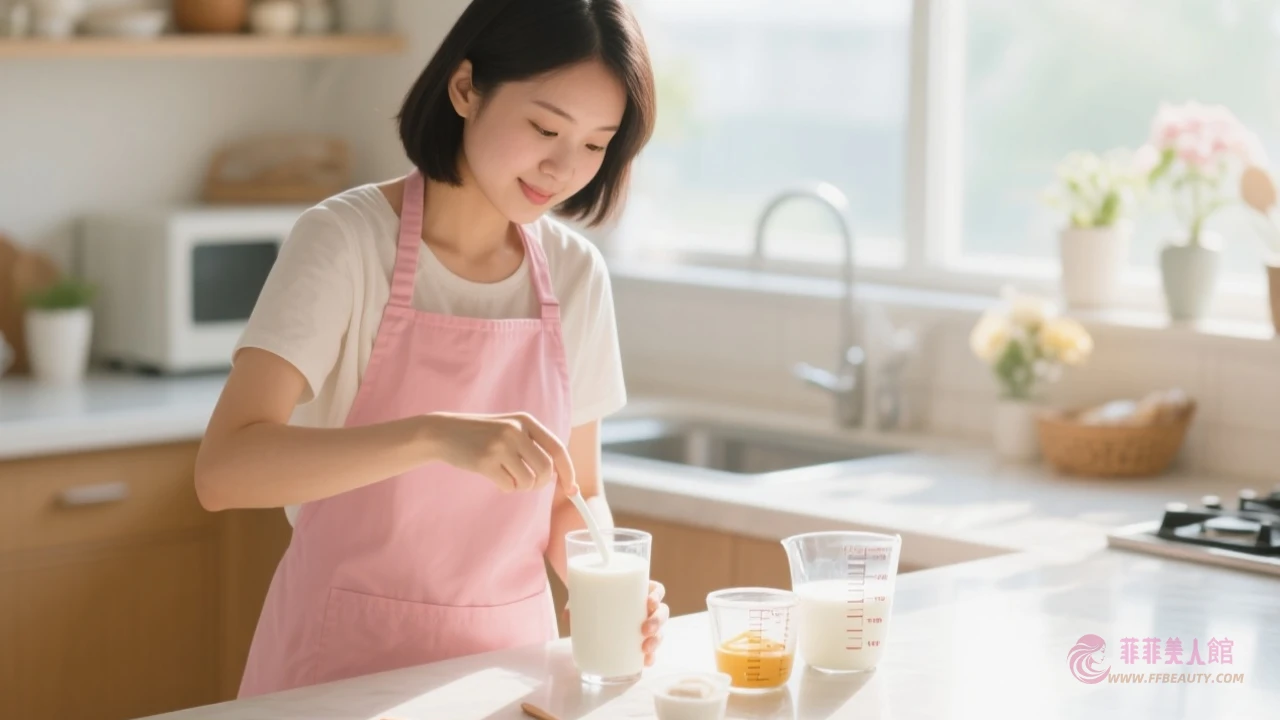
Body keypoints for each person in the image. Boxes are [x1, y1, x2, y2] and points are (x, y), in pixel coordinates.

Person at [193, 0, 666, 697]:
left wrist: (606, 581)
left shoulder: (574, 273)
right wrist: (432, 437)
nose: (565, 168)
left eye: (596, 144)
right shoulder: (346, 242)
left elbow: (577, 491)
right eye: (544, 127)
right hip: (338, 672)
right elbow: (224, 470)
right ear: (466, 87)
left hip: (510, 670)